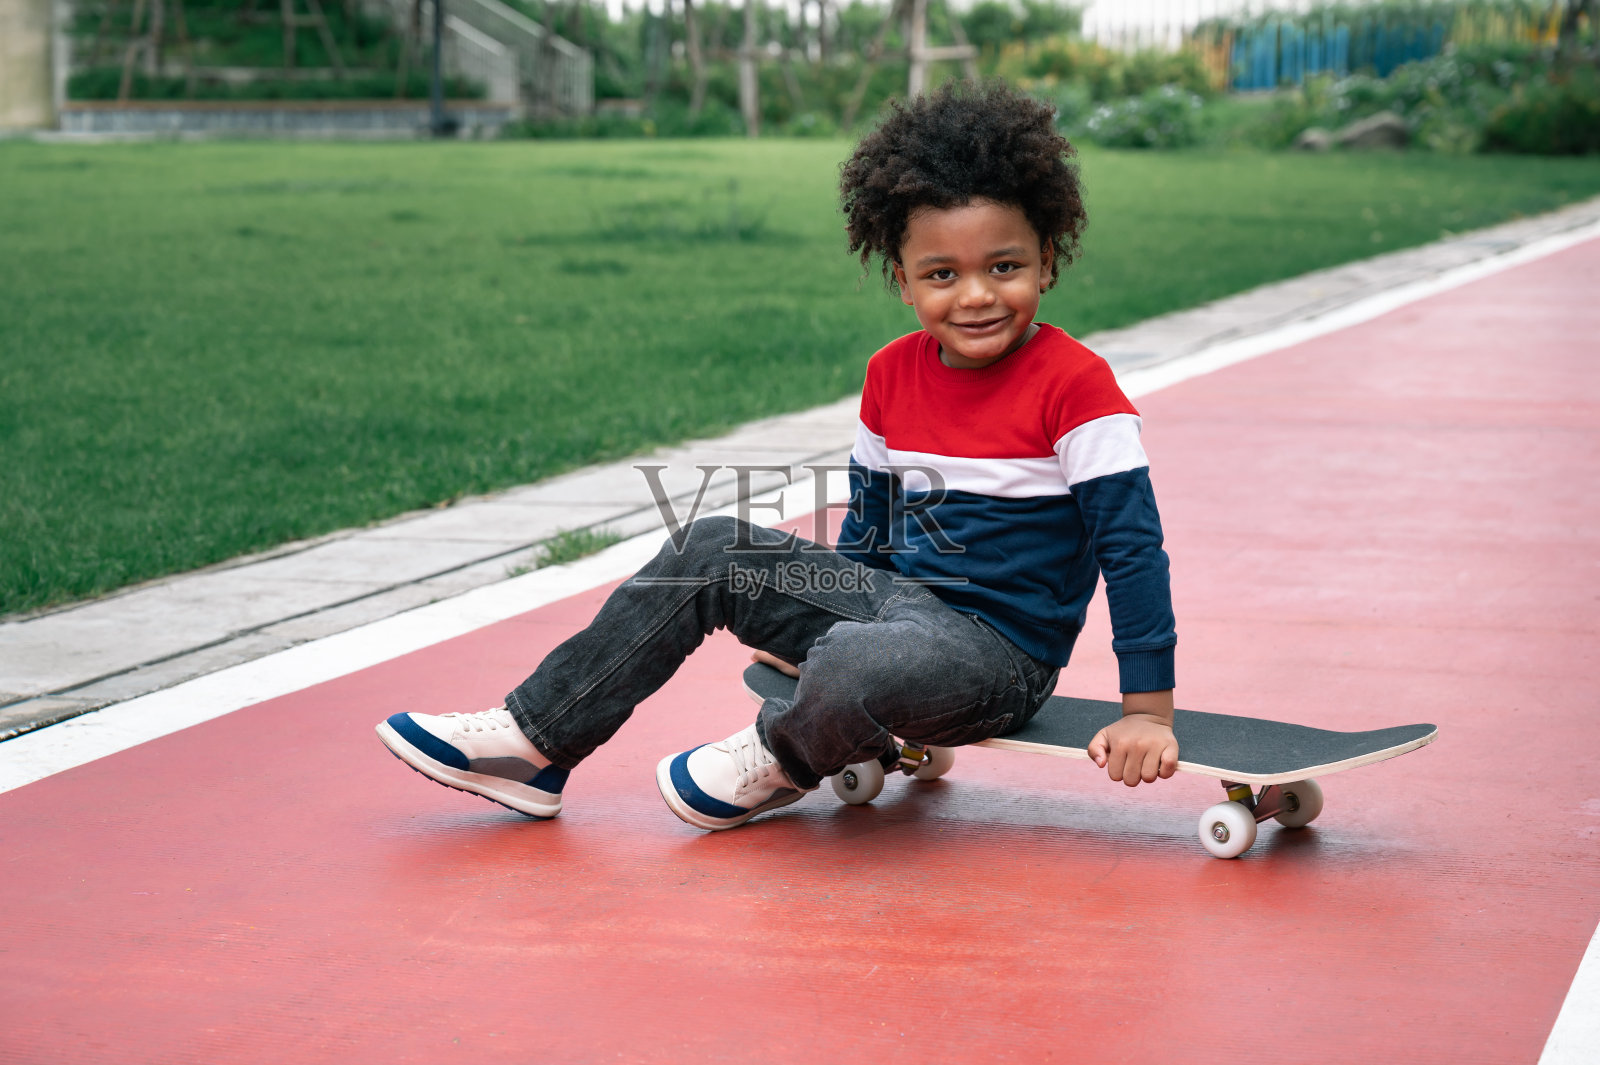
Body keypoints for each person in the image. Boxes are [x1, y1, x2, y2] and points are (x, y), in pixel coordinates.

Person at [375, 81, 1180, 831]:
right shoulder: (890, 373)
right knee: (710, 545)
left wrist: (1146, 710)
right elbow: (869, 527)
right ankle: (535, 740)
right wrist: (813, 619)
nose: (975, 294)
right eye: (943, 273)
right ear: (902, 279)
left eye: (1003, 266)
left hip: (997, 658)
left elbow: (1132, 549)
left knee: (864, 660)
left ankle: (782, 754)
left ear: (1047, 257)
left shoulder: (1079, 387)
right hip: (888, 610)